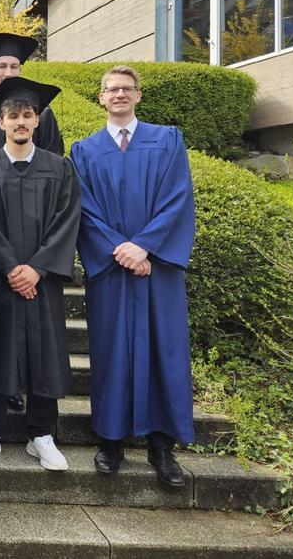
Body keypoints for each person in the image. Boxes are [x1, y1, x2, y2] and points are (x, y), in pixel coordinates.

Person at [70, 66, 195, 487]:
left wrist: (145, 247)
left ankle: (162, 447)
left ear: (138, 95)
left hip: (157, 269)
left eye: (127, 88)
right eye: (112, 89)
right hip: (111, 269)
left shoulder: (167, 140)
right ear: (101, 97)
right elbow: (84, 210)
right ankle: (111, 441)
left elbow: (178, 198)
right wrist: (120, 251)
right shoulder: (84, 151)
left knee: (164, 351)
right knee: (111, 351)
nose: (119, 94)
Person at [0, 77, 81, 472]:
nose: (20, 121)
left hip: (41, 282)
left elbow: (67, 221)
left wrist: (36, 268)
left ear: (37, 121)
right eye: (12, 115)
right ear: (0, 122)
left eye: (27, 115)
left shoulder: (59, 168)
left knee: (44, 352)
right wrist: (10, 268)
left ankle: (42, 434)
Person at [0, 33, 63, 157]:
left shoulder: (42, 113)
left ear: (20, 70)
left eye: (14, 67)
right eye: (2, 66)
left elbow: (54, 159)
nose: (8, 73)